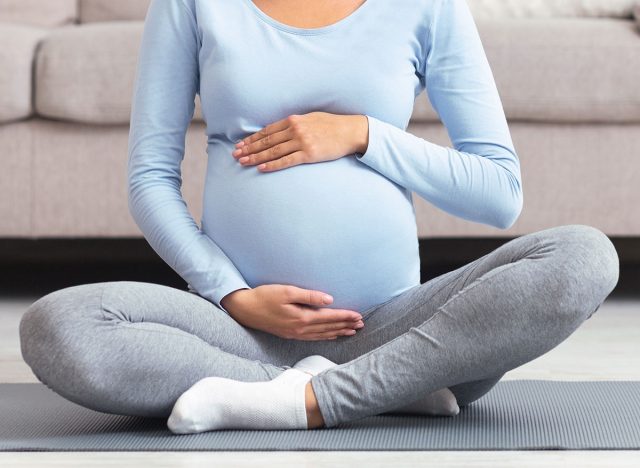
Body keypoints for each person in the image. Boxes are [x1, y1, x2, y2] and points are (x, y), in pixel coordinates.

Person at [19, 0, 619, 433]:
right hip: (235, 337)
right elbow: (150, 178)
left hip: (400, 331)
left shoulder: (427, 7)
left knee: (584, 257)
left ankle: (295, 403)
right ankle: (378, 395)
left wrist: (362, 135)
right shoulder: (193, 4)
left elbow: (500, 195)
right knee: (59, 326)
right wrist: (231, 295)